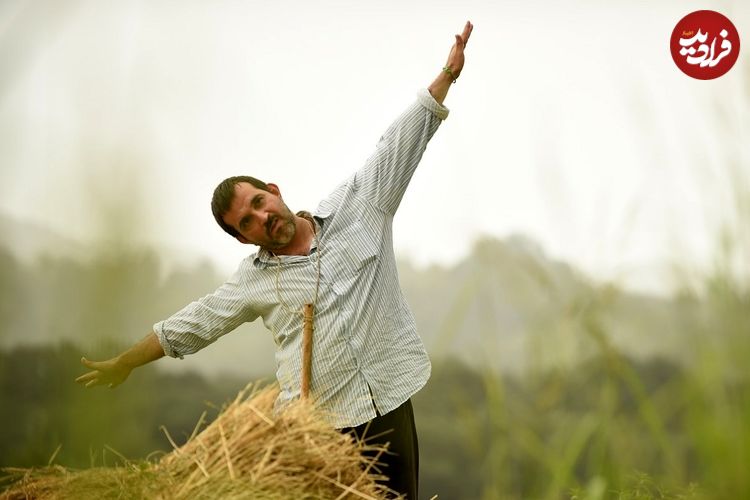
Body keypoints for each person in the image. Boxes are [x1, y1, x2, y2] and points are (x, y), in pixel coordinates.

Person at [76, 20, 473, 499]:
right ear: (243, 239)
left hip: (388, 401)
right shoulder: (253, 282)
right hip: (318, 428)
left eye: (259, 204)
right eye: (246, 222)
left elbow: (398, 145)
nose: (261, 218)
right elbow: (192, 324)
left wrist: (446, 76)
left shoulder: (358, 208)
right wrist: (125, 361)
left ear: (274, 191)